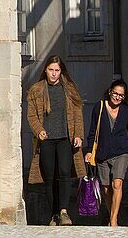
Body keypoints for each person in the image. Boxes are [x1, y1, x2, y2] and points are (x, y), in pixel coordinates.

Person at [26, 55, 85, 226]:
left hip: (66, 138)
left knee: (65, 172)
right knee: (49, 176)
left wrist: (78, 135)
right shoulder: (36, 90)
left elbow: (78, 114)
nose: (54, 74)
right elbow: (31, 116)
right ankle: (54, 214)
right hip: (46, 140)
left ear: (61, 71)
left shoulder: (69, 89)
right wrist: (39, 131)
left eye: (57, 70)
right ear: (45, 70)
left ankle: (64, 211)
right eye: (51, 70)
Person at [84, 78, 128, 227]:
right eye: (115, 93)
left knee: (117, 184)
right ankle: (112, 214)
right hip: (102, 154)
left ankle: (114, 220)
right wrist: (89, 150)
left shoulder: (127, 111)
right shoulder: (99, 107)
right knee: (106, 188)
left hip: (121, 152)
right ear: (110, 92)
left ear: (124, 97)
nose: (117, 97)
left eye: (121, 95)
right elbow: (92, 132)